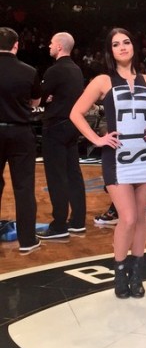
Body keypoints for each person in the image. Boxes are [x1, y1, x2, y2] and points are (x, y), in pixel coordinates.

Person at [70, 28, 146, 298]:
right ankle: (120, 271)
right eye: (116, 44)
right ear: (110, 51)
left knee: (142, 220)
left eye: (126, 42)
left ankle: (137, 274)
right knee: (129, 217)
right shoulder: (102, 80)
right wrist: (97, 139)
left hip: (145, 154)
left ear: (133, 46)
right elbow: (76, 113)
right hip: (117, 155)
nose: (122, 47)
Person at [36, 32, 87, 239]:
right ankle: (77, 221)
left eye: (50, 43)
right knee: (73, 173)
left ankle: (59, 225)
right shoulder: (76, 69)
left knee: (57, 177)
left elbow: (38, 98)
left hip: (56, 127)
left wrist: (47, 98)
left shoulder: (55, 70)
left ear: (58, 46)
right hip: (73, 126)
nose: (48, 46)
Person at [0, 27, 42, 252]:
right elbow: (35, 102)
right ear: (16, 45)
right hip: (20, 132)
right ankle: (27, 241)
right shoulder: (29, 70)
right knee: (24, 188)